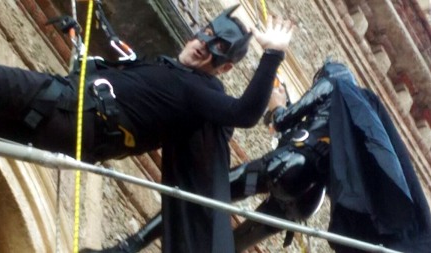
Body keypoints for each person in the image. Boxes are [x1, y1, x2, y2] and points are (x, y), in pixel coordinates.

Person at [0, 4, 294, 253]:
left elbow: (243, 113)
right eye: (205, 34)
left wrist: (272, 55)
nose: (203, 45)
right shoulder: (164, 68)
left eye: (217, 47)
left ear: (224, 67)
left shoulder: (201, 91)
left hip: (72, 111)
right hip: (63, 114)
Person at [92, 60, 431, 253]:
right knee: (228, 245)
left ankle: (129, 246)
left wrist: (279, 103)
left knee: (201, 197)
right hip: (305, 200)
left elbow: (284, 121)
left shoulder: (335, 87)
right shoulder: (357, 124)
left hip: (287, 166)